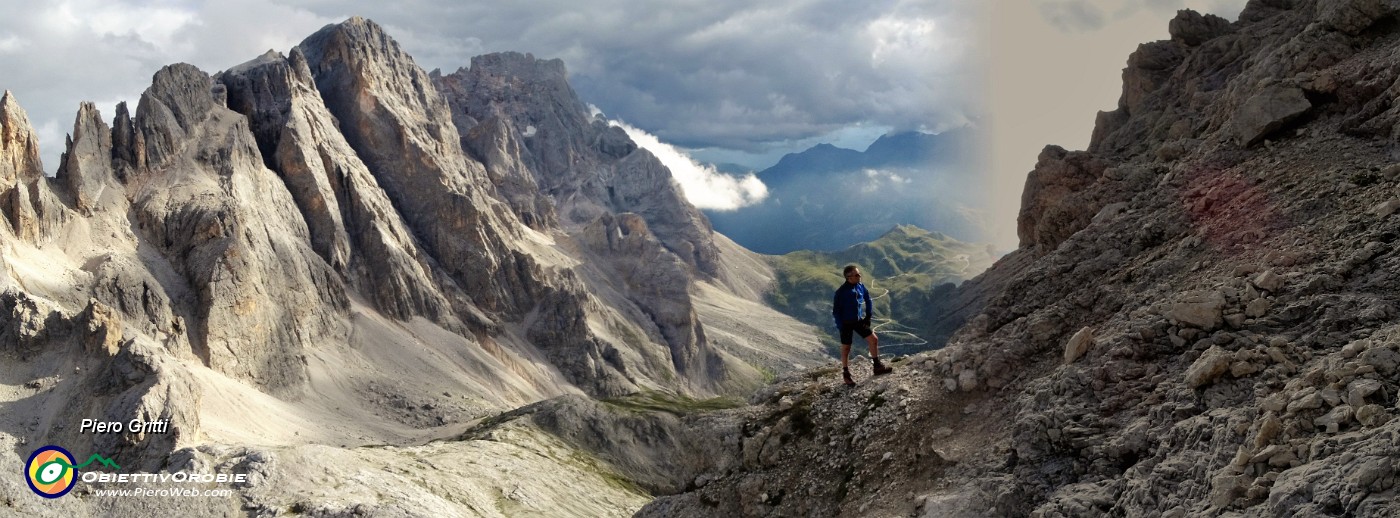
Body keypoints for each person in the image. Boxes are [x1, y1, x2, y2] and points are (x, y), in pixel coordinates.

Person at [832, 264, 891, 386]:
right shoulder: (841, 292)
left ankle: (877, 366)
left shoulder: (860, 286)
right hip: (846, 323)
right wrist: (840, 326)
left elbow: (868, 298)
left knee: (873, 339)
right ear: (849, 277)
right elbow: (836, 311)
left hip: (858, 321)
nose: (860, 276)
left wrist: (868, 315)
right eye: (857, 274)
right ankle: (846, 373)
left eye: (859, 274)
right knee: (846, 348)